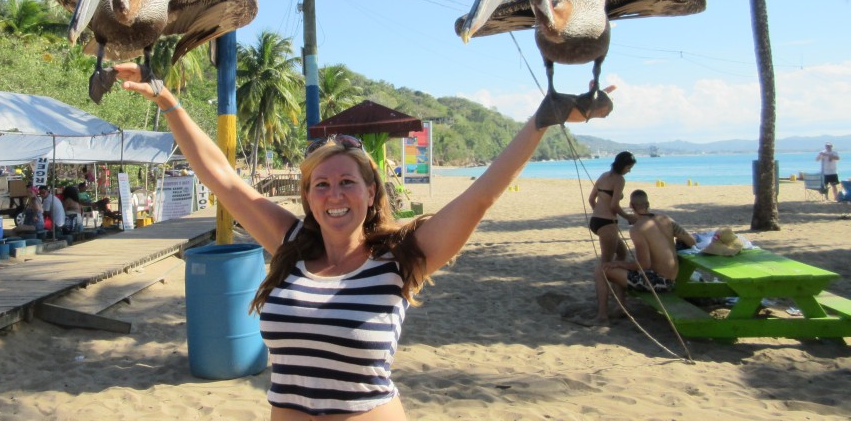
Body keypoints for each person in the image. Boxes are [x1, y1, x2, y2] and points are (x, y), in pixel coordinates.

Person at [112, 62, 608, 419]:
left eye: (347, 182)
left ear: (371, 193)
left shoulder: (401, 259)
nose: (334, 195)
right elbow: (223, 179)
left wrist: (539, 122)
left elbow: (478, 199)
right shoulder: (288, 245)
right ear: (307, 198)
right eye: (320, 185)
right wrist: (170, 103)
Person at [594, 189, 696, 322]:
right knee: (616, 267)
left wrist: (620, 263)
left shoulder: (637, 229)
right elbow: (691, 241)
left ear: (631, 206)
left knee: (601, 270)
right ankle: (621, 308)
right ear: (648, 203)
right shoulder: (666, 219)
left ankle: (602, 316)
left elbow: (644, 265)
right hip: (672, 278)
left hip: (659, 282)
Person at [587, 151, 637, 263]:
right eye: (629, 168)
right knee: (606, 261)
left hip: (595, 221)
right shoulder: (619, 179)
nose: (629, 171)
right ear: (622, 166)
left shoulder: (603, 175)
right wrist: (628, 217)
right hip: (607, 223)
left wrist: (598, 212)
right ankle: (603, 279)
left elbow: (591, 199)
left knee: (622, 253)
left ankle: (613, 279)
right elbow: (614, 205)